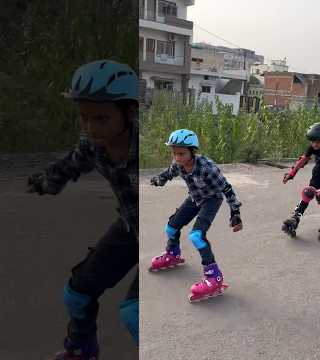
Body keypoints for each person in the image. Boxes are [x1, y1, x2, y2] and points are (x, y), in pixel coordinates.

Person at [27, 60, 139, 358]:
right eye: (84, 118)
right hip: (131, 225)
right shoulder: (93, 144)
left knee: (135, 314)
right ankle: (81, 349)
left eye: (101, 119)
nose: (90, 128)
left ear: (130, 112)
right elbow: (70, 165)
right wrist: (43, 182)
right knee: (76, 294)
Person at [150, 129, 243, 302]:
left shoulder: (207, 168)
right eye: (174, 153)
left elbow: (227, 189)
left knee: (196, 236)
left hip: (211, 199)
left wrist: (235, 213)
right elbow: (169, 172)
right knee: (171, 228)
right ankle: (173, 253)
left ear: (193, 152)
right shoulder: (178, 163)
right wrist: (159, 179)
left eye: (181, 153)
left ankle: (214, 276)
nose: (177, 157)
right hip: (195, 198)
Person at [282, 123, 320, 239]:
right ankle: (296, 217)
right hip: (318, 172)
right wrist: (291, 174)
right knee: (308, 192)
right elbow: (302, 160)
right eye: (312, 141)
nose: (314, 144)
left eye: (317, 142)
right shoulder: (312, 148)